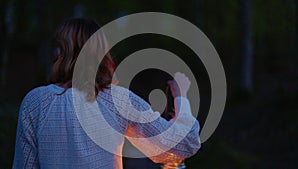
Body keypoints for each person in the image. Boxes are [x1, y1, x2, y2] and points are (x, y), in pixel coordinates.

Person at [12, 18, 201, 169]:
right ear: (102, 53)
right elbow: (182, 145)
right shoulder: (117, 100)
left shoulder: (35, 101)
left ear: (60, 52)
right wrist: (181, 97)